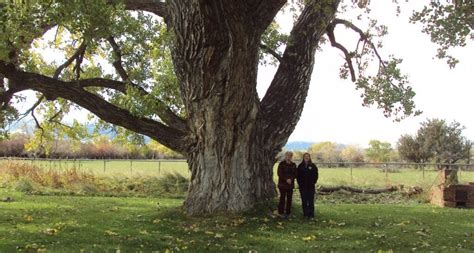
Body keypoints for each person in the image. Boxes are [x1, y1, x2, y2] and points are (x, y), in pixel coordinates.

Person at [297, 153, 319, 219]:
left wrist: (313, 182)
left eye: (307, 156)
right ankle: (305, 214)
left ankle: (311, 215)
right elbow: (298, 176)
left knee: (310, 201)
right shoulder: (300, 166)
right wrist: (300, 184)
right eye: (305, 156)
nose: (306, 158)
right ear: (303, 158)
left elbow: (316, 175)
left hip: (311, 187)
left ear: (309, 157)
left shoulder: (313, 166)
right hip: (303, 187)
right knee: (304, 201)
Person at [277, 151, 297, 218]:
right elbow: (279, 173)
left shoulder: (293, 164)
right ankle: (281, 212)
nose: (288, 157)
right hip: (282, 184)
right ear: (285, 156)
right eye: (287, 155)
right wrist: (286, 179)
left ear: (291, 156)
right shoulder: (281, 164)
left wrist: (291, 179)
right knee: (282, 198)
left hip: (290, 184)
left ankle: (288, 213)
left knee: (289, 198)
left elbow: (295, 174)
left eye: (290, 155)